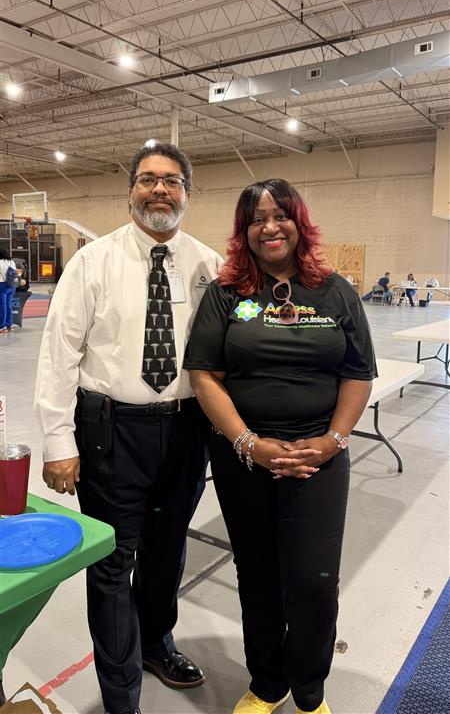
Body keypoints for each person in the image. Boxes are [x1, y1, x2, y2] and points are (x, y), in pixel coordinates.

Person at [34, 142, 222, 714]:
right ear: (131, 191)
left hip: (186, 433)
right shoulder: (92, 262)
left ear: (187, 193)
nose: (159, 189)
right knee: (113, 563)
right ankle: (121, 697)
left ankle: (157, 644)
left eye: (171, 180)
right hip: (112, 435)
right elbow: (59, 356)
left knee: (167, 553)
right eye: (147, 179)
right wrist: (58, 442)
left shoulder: (211, 267)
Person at [184, 179, 377, 714]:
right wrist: (250, 443)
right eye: (256, 219)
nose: (269, 227)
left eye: (280, 216)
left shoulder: (335, 292)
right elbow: (204, 375)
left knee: (314, 580)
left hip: (320, 459)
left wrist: (333, 440)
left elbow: (358, 373)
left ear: (299, 222)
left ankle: (310, 691)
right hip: (244, 459)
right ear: (243, 231)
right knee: (258, 574)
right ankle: (268, 683)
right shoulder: (226, 294)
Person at [0, 249, 17, 333]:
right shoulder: (12, 262)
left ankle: (2, 326)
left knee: (2, 306)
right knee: (9, 305)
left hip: (2, 285)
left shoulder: (0, 262)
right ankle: (10, 325)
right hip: (11, 285)